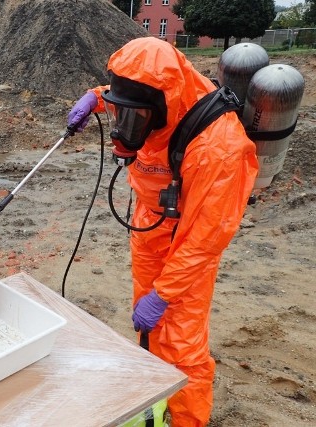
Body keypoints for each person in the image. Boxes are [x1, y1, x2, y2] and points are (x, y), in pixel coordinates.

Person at [67, 37, 258, 426]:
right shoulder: (152, 95)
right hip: (151, 222)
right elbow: (129, 94)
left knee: (182, 342)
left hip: (190, 240)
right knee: (148, 324)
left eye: (132, 119)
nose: (124, 129)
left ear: (162, 107)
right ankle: (155, 395)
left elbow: (205, 240)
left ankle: (187, 419)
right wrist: (95, 98)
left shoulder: (219, 148)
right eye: (122, 116)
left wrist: (165, 294)